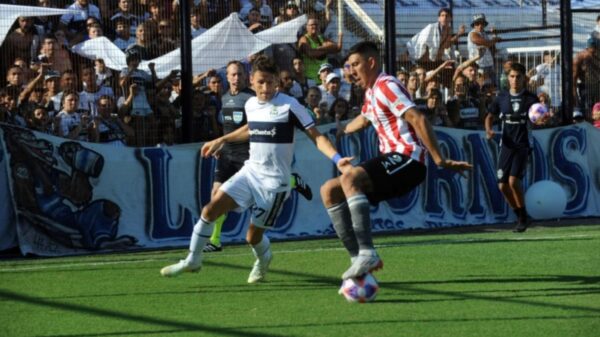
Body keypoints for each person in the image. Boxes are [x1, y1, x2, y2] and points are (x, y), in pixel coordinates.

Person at [160, 55, 345, 283]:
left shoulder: (290, 105)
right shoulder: (250, 104)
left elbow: (316, 137)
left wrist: (338, 159)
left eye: (270, 82)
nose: (265, 87)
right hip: (250, 173)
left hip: (274, 183)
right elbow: (251, 128)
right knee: (210, 210)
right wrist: (223, 139)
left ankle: (263, 259)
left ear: (277, 81)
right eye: (260, 82)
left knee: (252, 236)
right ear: (252, 81)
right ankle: (193, 260)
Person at [321, 41, 472, 281]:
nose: (350, 71)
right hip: (392, 160)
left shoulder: (387, 85)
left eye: (355, 64)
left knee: (350, 177)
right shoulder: (371, 93)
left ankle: (367, 252)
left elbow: (418, 119)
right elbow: (364, 119)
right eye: (349, 66)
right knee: (329, 190)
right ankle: (358, 259)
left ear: (371, 63)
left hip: (409, 158)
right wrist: (342, 130)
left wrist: (439, 160)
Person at [202, 61, 313, 252]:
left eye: (239, 74)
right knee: (215, 196)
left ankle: (291, 180)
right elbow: (231, 127)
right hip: (228, 154)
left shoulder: (253, 98)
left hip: (249, 155)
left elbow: (254, 128)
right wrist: (222, 142)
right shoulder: (225, 96)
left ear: (247, 78)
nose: (236, 78)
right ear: (226, 77)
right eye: (232, 74)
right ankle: (215, 239)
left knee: (254, 208)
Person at [484, 62, 539, 233]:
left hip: (522, 145)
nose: (515, 80)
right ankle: (521, 215)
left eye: (518, 77)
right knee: (502, 185)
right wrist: (488, 130)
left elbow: (539, 116)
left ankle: (522, 218)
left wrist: (542, 119)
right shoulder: (501, 97)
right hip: (506, 145)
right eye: (512, 76)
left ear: (524, 79)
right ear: (508, 78)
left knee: (513, 181)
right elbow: (489, 117)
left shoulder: (531, 99)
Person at [297, 16, 342, 83]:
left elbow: (337, 48)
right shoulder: (304, 39)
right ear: (307, 27)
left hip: (325, 80)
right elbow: (311, 53)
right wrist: (327, 49)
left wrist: (319, 49)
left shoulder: (321, 37)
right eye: (312, 25)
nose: (314, 26)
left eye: (316, 25)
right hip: (311, 79)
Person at [468, 13, 500, 86]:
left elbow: (492, 48)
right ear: (474, 25)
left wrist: (494, 36)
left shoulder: (484, 34)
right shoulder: (472, 33)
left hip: (489, 64)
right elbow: (486, 43)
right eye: (477, 23)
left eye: (482, 23)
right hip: (479, 65)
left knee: (492, 87)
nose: (480, 25)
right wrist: (495, 39)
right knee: (481, 86)